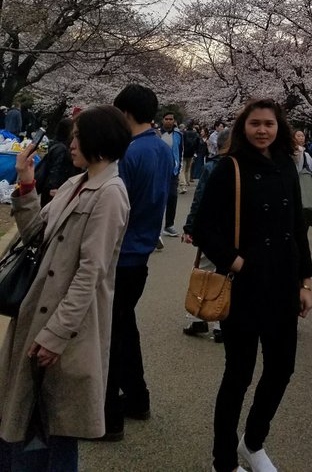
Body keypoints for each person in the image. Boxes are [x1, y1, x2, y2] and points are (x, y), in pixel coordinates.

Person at [0, 106, 130, 471]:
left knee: (49, 429)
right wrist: (26, 184)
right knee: (22, 422)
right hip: (36, 316)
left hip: (63, 331)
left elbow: (92, 272)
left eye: (78, 136)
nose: (71, 143)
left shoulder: (110, 194)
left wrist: (56, 335)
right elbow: (33, 238)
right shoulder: (77, 183)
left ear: (99, 141)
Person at [193, 99, 312, 472]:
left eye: (269, 124)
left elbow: (298, 227)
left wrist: (305, 281)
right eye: (255, 124)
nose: (262, 130)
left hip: (283, 283)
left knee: (282, 369)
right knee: (238, 375)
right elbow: (202, 228)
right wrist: (237, 261)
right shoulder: (229, 168)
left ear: (280, 128)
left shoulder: (286, 167)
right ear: (242, 128)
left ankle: (254, 441)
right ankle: (223, 461)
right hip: (244, 287)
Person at [102, 84, 174, 440]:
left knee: (110, 335)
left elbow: (115, 210)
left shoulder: (127, 153)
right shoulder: (161, 149)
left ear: (126, 113)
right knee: (124, 328)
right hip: (142, 252)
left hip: (121, 254)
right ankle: (137, 398)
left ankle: (109, 416)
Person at [182, 127, 231, 340]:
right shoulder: (241, 168)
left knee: (205, 272)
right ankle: (222, 324)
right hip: (232, 230)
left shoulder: (212, 167)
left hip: (211, 229)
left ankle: (199, 318)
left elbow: (199, 199)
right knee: (226, 274)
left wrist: (191, 226)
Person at [34, 117, 82, 206]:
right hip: (53, 191)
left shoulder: (55, 144)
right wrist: (53, 188)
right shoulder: (62, 149)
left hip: (48, 189)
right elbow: (56, 169)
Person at [160, 111, 183, 237]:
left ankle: (169, 225)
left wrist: (178, 168)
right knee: (158, 198)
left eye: (171, 119)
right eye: (166, 119)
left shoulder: (178, 135)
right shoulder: (157, 134)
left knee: (172, 197)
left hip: (173, 171)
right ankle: (155, 225)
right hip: (159, 171)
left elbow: (180, 151)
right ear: (163, 120)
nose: (169, 121)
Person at [182, 122, 200, 187]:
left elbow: (182, 143)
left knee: (183, 168)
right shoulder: (196, 134)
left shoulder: (184, 133)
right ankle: (187, 180)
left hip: (184, 152)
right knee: (188, 167)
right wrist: (196, 151)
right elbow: (198, 143)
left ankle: (184, 181)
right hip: (191, 152)